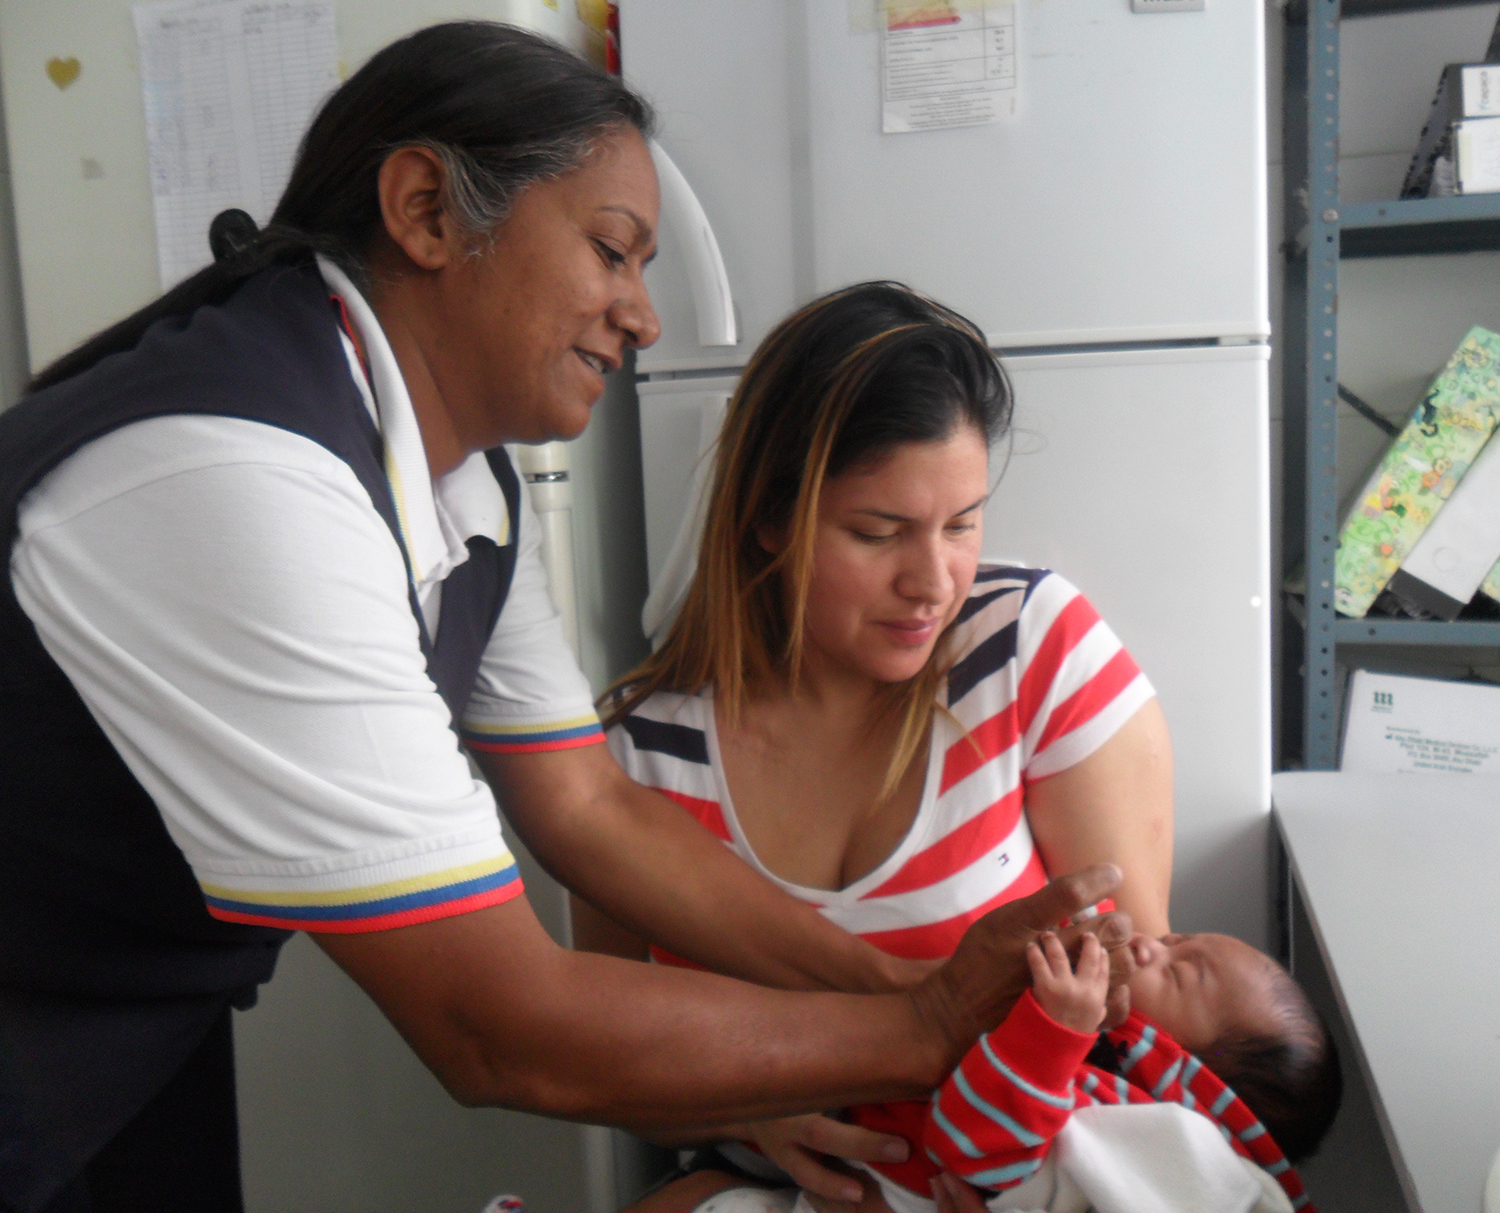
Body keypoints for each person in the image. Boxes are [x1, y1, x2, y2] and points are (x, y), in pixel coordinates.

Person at [0, 24, 1136, 1213]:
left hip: (130, 1031)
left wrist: (907, 995)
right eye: (612, 252)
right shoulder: (239, 481)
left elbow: (591, 812)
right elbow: (494, 1025)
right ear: (427, 210)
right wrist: (922, 1031)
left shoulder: (465, 489)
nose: (644, 319)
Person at [575, 281, 1174, 1208]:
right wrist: (742, 1111)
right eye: (877, 531)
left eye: (962, 523)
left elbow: (1144, 1015)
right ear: (769, 518)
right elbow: (608, 1062)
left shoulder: (1031, 653)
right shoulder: (640, 758)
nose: (932, 581)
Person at [847, 929, 1340, 1212]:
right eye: (1176, 938)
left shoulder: (1137, 1131)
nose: (1149, 945)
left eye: (1177, 973)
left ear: (1191, 1080)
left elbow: (972, 1146)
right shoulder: (1102, 1061)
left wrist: (1052, 1034)